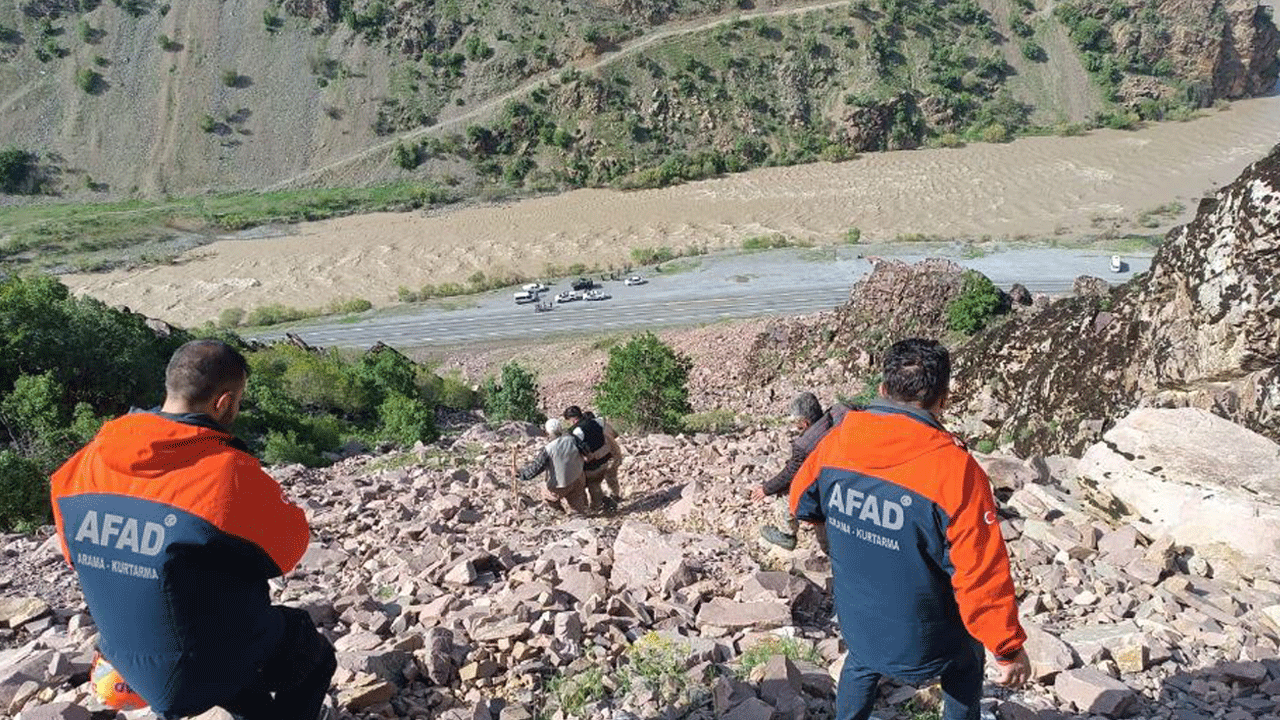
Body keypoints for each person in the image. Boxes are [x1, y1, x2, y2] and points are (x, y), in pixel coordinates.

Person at [50, 340, 336, 720]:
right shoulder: (226, 472)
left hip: (123, 656)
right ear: (224, 402)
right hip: (197, 661)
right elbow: (286, 552)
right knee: (311, 653)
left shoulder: (81, 464)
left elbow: (77, 556)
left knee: (213, 627)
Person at [789, 338, 1030, 720]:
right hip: (929, 636)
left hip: (860, 621)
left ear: (883, 390)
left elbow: (801, 501)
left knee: (860, 664)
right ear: (943, 399)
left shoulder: (836, 443)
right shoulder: (956, 471)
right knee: (967, 663)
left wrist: (830, 528)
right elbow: (980, 575)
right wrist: (1007, 648)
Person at [751, 391, 852, 551]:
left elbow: (790, 473)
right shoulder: (840, 412)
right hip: (855, 474)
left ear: (804, 423)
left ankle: (787, 535)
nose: (795, 428)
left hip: (832, 486)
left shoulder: (805, 445)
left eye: (796, 424)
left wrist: (766, 489)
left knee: (788, 491)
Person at [516, 418, 592, 515]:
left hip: (560, 485)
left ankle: (559, 513)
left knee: (546, 494)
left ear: (548, 433)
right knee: (576, 503)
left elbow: (536, 469)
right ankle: (578, 514)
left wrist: (521, 475)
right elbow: (587, 453)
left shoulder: (548, 449)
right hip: (578, 479)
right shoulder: (573, 439)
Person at [563, 406, 624, 511]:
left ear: (573, 419)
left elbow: (575, 449)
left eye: (569, 421)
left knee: (593, 484)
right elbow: (612, 433)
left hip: (594, 463)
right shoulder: (597, 421)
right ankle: (615, 496)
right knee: (611, 478)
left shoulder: (577, 431)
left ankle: (598, 507)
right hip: (607, 457)